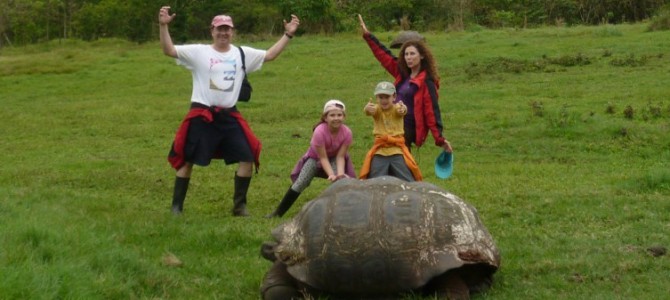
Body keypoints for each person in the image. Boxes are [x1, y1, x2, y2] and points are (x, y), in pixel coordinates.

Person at [158, 6, 300, 216]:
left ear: (232, 31)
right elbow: (169, 50)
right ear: (212, 31)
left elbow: (270, 55)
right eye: (219, 29)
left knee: (248, 155)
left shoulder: (242, 53)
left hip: (229, 115)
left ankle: (239, 206)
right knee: (187, 159)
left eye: (227, 29)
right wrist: (163, 26)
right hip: (202, 115)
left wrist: (288, 34)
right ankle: (176, 207)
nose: (223, 33)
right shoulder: (199, 52)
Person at [358, 14, 453, 154]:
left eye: (412, 54)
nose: (408, 58)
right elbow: (384, 55)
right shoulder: (402, 73)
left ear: (421, 56)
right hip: (391, 122)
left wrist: (439, 139)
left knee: (395, 154)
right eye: (406, 54)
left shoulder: (427, 83)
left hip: (408, 128)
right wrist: (368, 35)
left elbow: (432, 111)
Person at [265, 100, 356, 218]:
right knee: (300, 182)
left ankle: (344, 214)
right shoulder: (319, 132)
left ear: (344, 116)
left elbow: (340, 156)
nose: (336, 118)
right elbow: (322, 157)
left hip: (335, 158)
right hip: (316, 158)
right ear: (325, 117)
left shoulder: (347, 132)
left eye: (339, 115)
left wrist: (339, 174)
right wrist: (330, 175)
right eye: (332, 115)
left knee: (342, 182)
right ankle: (278, 213)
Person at [359, 81, 422, 181]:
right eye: (381, 97)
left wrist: (403, 108)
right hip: (380, 150)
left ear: (394, 97)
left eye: (387, 97)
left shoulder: (397, 108)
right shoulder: (377, 109)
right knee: (374, 178)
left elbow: (402, 110)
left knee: (407, 178)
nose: (384, 100)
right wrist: (367, 108)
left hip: (397, 150)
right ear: (377, 98)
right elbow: (369, 111)